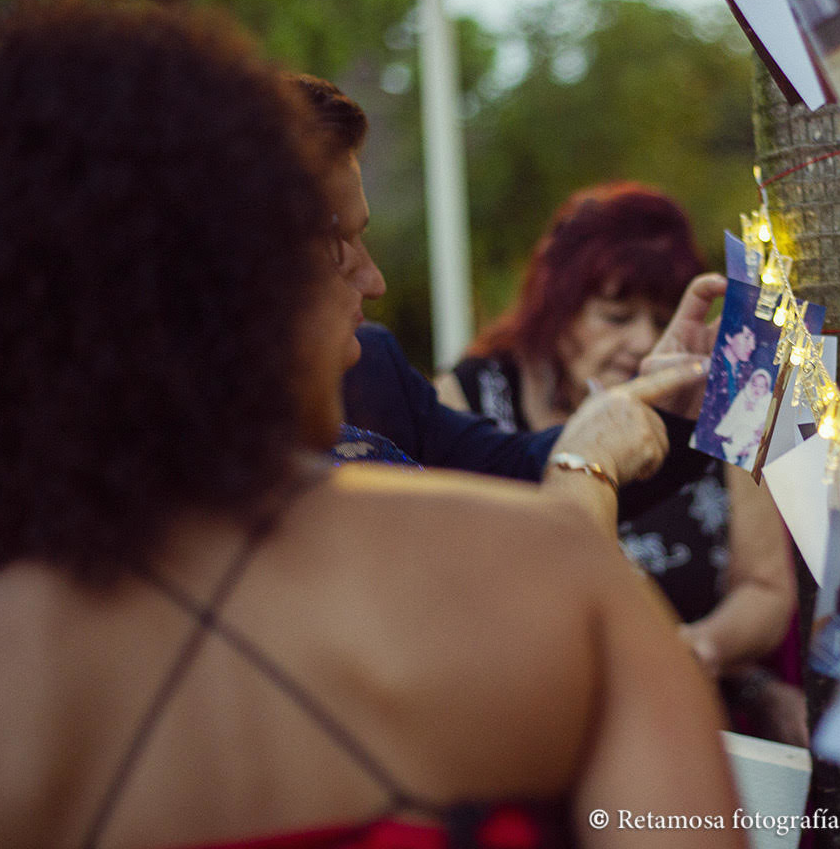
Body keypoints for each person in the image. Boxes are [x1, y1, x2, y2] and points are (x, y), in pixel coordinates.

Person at [0, 0, 742, 848]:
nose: (375, 279)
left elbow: (507, 467)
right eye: (333, 242)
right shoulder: (555, 574)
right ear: (222, 271)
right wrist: (585, 479)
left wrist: (657, 406)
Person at [439, 183, 805, 744]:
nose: (644, 340)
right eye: (616, 316)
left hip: (684, 717)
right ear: (555, 309)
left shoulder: (723, 394)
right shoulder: (468, 399)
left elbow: (766, 590)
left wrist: (694, 650)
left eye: (661, 319)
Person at [292, 75, 723, 525]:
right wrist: (583, 464)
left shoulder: (376, 369)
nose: (374, 280)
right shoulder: (215, 477)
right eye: (339, 248)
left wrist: (659, 415)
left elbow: (512, 475)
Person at [714, 369, 774, 468]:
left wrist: (762, 425)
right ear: (750, 384)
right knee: (736, 441)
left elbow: (767, 419)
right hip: (741, 431)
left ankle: (745, 459)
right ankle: (733, 455)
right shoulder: (744, 395)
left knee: (754, 453)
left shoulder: (767, 400)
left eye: (761, 386)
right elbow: (734, 413)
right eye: (754, 385)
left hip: (756, 435)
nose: (757, 389)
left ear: (767, 389)